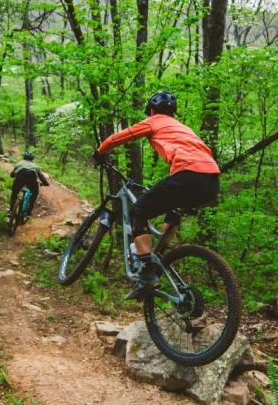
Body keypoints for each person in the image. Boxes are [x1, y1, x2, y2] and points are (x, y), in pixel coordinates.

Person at [92, 91, 220, 300]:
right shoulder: (184, 128)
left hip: (187, 174)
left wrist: (101, 151)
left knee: (138, 212)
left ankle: (147, 272)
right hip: (211, 180)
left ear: (151, 111)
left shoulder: (153, 121)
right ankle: (158, 256)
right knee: (174, 209)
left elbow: (120, 137)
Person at [9, 150, 49, 218]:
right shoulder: (35, 166)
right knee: (34, 193)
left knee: (14, 193)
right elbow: (41, 176)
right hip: (31, 179)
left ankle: (11, 210)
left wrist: (14, 176)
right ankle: (28, 212)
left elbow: (12, 174)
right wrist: (46, 183)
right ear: (32, 158)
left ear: (24, 157)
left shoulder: (19, 163)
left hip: (20, 178)